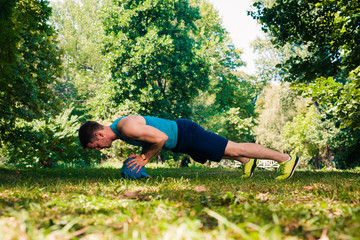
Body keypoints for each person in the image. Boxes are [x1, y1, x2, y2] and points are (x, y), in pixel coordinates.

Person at [79, 115, 300, 180]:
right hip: (182, 140)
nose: (98, 149)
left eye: (94, 145)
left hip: (186, 134)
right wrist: (140, 154)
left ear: (98, 134)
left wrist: (143, 160)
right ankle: (247, 162)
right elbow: (152, 138)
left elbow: (161, 137)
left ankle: (285, 159)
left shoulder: (125, 128)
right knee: (220, 153)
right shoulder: (122, 130)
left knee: (233, 148)